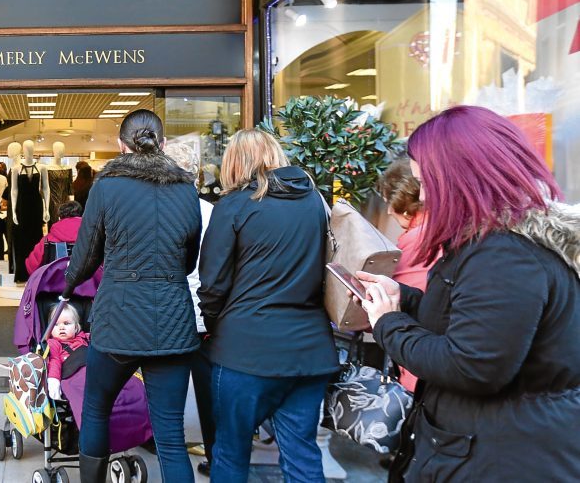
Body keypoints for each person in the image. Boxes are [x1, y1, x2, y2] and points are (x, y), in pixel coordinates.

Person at [356, 106, 580, 482]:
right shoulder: (501, 245)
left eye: (426, 183)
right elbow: (470, 322)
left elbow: (472, 366)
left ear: (459, 179)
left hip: (502, 458)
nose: (424, 197)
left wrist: (388, 322)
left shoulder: (504, 255)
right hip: (495, 447)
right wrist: (404, 298)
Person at [61, 109, 201, 482]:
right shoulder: (186, 189)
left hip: (118, 321)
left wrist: (67, 286)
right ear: (164, 144)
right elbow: (189, 260)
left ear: (120, 146)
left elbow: (86, 257)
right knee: (171, 434)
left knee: (95, 409)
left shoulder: (107, 187)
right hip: (172, 323)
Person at [197, 128, 338, 483]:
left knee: (230, 453)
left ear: (233, 163)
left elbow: (212, 284)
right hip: (309, 351)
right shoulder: (315, 202)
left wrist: (214, 325)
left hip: (244, 351)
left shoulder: (232, 206)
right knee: (302, 453)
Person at [164, 142, 216, 477]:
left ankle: (166, 446)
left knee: (166, 395)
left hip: (168, 315)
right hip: (203, 315)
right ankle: (214, 454)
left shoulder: (158, 211)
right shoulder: (211, 212)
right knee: (209, 396)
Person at [377, 156, 432, 393]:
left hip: (420, 363)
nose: (388, 211)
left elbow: (400, 307)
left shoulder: (417, 241)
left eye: (391, 201)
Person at [45, 305, 90, 401]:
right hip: (71, 375)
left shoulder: (84, 338)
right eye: (56, 325)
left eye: (66, 323)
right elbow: (54, 361)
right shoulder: (54, 344)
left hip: (92, 369)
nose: (61, 327)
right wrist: (54, 380)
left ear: (76, 327)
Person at [25, 200, 83, 275]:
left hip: (54, 282)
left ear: (60, 217)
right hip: (87, 283)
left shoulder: (47, 239)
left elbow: (31, 266)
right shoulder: (91, 236)